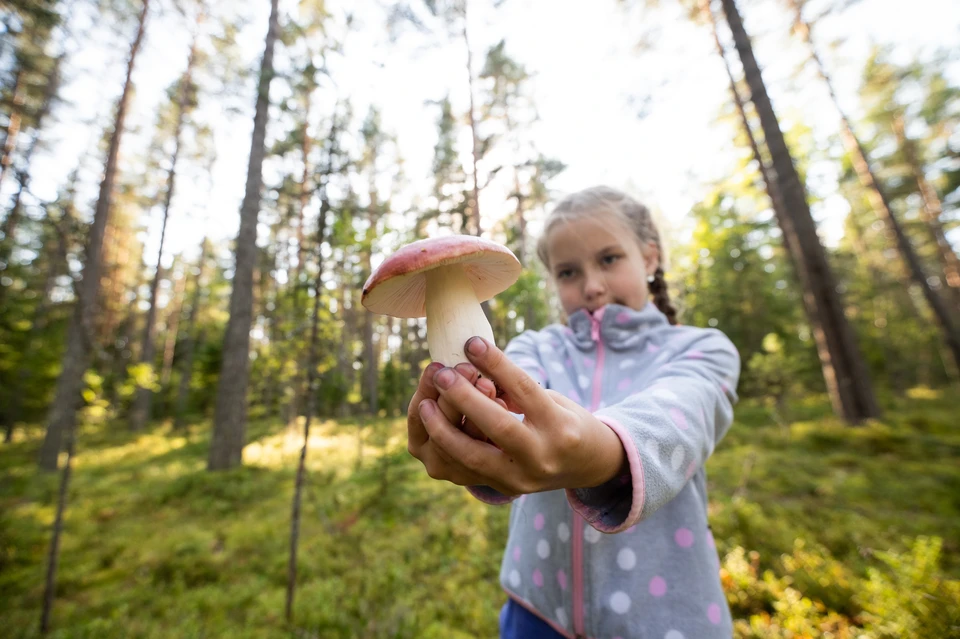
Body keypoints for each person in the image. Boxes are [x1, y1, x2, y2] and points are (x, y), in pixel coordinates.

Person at [407, 185, 740, 639]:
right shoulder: (536, 348)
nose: (592, 285)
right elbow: (510, 419)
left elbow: (678, 420)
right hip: (535, 608)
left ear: (649, 258)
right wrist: (474, 429)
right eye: (568, 272)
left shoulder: (701, 349)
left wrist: (600, 450)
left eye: (608, 259)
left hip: (662, 618)